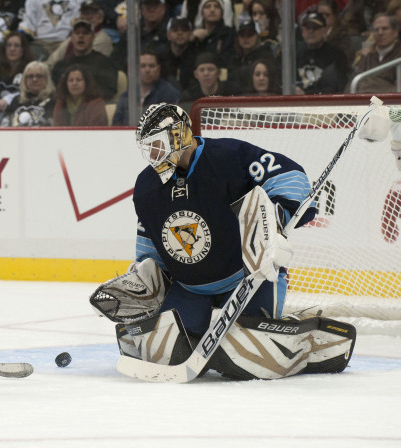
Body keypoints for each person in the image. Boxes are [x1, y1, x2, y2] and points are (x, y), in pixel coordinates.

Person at [88, 103, 356, 380]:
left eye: (157, 144)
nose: (153, 155)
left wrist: (278, 217)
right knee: (170, 353)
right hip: (189, 287)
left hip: (249, 280)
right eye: (148, 148)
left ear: (178, 135)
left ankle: (309, 337)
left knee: (245, 356)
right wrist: (144, 279)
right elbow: (150, 243)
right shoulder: (147, 186)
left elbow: (291, 175)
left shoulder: (229, 157)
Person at [51, 19, 118, 101]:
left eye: (86, 33)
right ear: (71, 37)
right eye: (77, 33)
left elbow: (108, 92)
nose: (81, 36)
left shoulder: (105, 64)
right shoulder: (60, 66)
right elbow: (58, 93)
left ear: (93, 37)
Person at [352, 12, 401, 93]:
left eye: (385, 28)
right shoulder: (368, 56)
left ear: (395, 32)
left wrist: (371, 87)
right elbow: (352, 83)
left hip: (390, 104)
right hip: (363, 103)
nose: (380, 33)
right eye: (376, 30)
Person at [112, 49, 179, 126]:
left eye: (152, 66)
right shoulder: (126, 96)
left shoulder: (170, 94)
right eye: (143, 66)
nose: (147, 70)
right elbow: (116, 125)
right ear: (136, 69)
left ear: (159, 69)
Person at [45, 0, 114, 70]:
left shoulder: (102, 39)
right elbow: (51, 62)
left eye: (93, 13)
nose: (88, 17)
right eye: (85, 13)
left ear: (100, 18)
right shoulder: (74, 37)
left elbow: (84, 66)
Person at [295, 12, 348, 95]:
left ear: (324, 31)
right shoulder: (295, 54)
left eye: (315, 28)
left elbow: (337, 87)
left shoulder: (336, 55)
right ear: (302, 31)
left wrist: (306, 94)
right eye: (307, 28)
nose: (311, 31)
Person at [0, 32, 34, 118]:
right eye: (9, 45)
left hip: (16, 111)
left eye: (16, 46)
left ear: (23, 49)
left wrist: (8, 99)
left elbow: (31, 92)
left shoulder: (30, 69)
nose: (12, 49)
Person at [0, 60, 56, 127]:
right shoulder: (16, 100)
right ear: (24, 80)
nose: (34, 79)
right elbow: (4, 126)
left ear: (47, 79)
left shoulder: (54, 101)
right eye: (30, 76)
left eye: (39, 76)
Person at [226, 19, 277, 89]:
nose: (246, 38)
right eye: (242, 35)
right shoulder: (233, 58)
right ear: (237, 38)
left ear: (257, 37)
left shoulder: (266, 56)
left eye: (249, 35)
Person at [160, 17, 200, 92]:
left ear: (190, 34)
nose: (180, 33)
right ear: (168, 35)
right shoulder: (160, 58)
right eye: (175, 30)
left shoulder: (197, 58)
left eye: (184, 30)